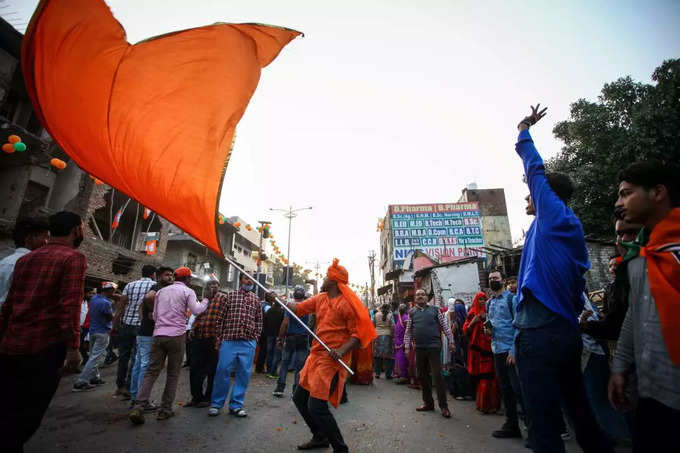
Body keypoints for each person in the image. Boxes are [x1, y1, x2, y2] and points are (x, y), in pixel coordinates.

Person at [513, 104, 613, 453]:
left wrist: (524, 129)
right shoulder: (563, 230)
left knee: (543, 426)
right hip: (562, 332)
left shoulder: (553, 215)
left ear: (548, 196)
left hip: (540, 335)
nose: (528, 194)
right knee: (578, 412)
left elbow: (535, 169)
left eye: (532, 191)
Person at [0, 211, 86, 453]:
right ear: (76, 230)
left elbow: (9, 305)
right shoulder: (73, 259)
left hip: (11, 344)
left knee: (8, 406)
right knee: (28, 415)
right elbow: (70, 306)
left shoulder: (26, 259)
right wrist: (73, 349)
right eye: (83, 227)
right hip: (44, 349)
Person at [609, 160, 680, 452]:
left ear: (658, 193)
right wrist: (621, 367)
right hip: (649, 392)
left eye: (626, 193)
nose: (619, 203)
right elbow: (633, 316)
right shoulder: (641, 257)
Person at [284, 259, 376, 453]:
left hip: (332, 359)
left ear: (333, 281)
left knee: (317, 406)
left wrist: (342, 351)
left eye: (326, 276)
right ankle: (319, 436)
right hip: (315, 355)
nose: (323, 278)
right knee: (299, 398)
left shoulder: (346, 305)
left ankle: (340, 448)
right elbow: (299, 309)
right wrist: (278, 300)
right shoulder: (321, 298)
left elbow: (357, 336)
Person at [128, 267, 207, 423]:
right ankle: (165, 410)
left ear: (175, 278)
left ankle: (138, 406)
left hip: (158, 335)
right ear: (188, 279)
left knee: (151, 371)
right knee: (172, 374)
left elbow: (155, 315)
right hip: (177, 336)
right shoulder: (188, 292)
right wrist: (206, 300)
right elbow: (197, 310)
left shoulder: (161, 292)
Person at [208, 272, 263, 417]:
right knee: (222, 371)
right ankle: (216, 404)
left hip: (248, 342)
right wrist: (219, 339)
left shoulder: (256, 299)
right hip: (229, 341)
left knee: (243, 374)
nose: (249, 281)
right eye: (246, 278)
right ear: (240, 280)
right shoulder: (230, 296)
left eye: (251, 279)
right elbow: (220, 319)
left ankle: (236, 405)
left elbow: (259, 321)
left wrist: (255, 339)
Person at [581, 219, 642, 343]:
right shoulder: (612, 287)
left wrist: (585, 326)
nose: (623, 240)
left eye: (631, 232)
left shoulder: (633, 280)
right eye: (619, 235)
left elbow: (615, 324)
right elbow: (608, 314)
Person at [404, 289, 455, 418]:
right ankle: (428, 403)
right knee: (422, 376)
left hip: (434, 347)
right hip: (419, 348)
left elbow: (445, 326)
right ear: (415, 298)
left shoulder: (435, 310)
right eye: (418, 295)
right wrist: (406, 347)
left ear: (427, 297)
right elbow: (408, 331)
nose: (420, 296)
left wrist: (451, 341)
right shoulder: (412, 313)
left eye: (423, 294)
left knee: (437, 376)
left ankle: (444, 406)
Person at [486, 270, 524, 438]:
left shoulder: (512, 299)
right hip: (497, 350)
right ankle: (512, 425)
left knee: (519, 390)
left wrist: (514, 351)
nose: (492, 280)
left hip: (511, 351)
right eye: (490, 278)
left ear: (503, 280)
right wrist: (487, 330)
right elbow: (491, 325)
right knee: (506, 390)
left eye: (495, 278)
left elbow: (520, 326)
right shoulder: (489, 303)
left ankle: (534, 429)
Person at [129, 266, 174, 404]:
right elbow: (148, 298)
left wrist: (145, 318)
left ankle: (134, 395)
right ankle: (141, 400)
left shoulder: (158, 288)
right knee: (146, 365)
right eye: (167, 275)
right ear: (159, 276)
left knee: (138, 363)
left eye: (171, 275)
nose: (170, 277)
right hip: (149, 333)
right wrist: (157, 314)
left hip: (143, 331)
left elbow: (140, 307)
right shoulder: (158, 287)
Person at [113, 264, 157, 399]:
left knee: (123, 356)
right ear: (153, 274)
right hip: (142, 326)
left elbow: (121, 305)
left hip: (126, 323)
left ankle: (120, 386)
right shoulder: (155, 286)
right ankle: (130, 387)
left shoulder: (130, 285)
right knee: (137, 358)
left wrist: (115, 323)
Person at [186, 277, 225, 407]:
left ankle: (208, 398)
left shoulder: (223, 298)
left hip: (213, 339)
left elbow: (225, 318)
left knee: (211, 370)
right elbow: (198, 316)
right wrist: (192, 329)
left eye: (215, 284)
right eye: (210, 284)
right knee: (195, 368)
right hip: (199, 338)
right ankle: (196, 397)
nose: (213, 286)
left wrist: (221, 338)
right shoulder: (205, 300)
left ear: (219, 286)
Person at [73, 283, 116, 390]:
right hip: (102, 332)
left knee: (93, 355)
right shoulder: (106, 303)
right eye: (112, 291)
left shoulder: (94, 299)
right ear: (108, 291)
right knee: (95, 357)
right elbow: (110, 317)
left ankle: (94, 377)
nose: (113, 293)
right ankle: (81, 381)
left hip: (92, 331)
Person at [0, 216, 49, 307]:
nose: (47, 242)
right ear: (30, 238)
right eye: (45, 237)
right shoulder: (29, 266)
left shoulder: (5, 262)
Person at [463, 292, 499, 414]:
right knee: (482, 379)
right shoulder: (472, 313)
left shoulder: (491, 312)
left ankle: (493, 405)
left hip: (491, 349)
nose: (482, 301)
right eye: (480, 299)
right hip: (477, 351)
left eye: (484, 299)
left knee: (492, 378)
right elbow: (466, 331)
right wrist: (474, 321)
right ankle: (483, 405)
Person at [273, 286, 311, 397]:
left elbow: (285, 323)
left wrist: (280, 338)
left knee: (284, 363)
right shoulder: (306, 306)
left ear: (294, 295)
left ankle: (280, 388)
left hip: (290, 337)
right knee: (300, 366)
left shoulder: (289, 306)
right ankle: (296, 391)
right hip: (303, 338)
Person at [447, 298, 473, 400]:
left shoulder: (456, 321)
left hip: (458, 347)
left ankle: (459, 392)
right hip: (466, 347)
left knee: (458, 369)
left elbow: (453, 333)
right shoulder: (467, 320)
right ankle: (467, 391)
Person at [263, 292, 285, 379]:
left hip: (269, 335)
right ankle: (273, 371)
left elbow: (265, 323)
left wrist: (266, 332)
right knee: (277, 354)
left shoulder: (269, 311)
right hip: (278, 335)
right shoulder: (282, 312)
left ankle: (268, 370)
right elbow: (283, 324)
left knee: (269, 353)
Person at [373, 303, 395, 379]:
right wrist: (392, 335)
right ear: (389, 308)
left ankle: (377, 373)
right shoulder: (390, 315)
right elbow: (393, 326)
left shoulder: (376, 315)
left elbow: (373, 324)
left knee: (377, 356)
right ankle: (388, 374)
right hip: (387, 336)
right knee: (388, 356)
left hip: (377, 336)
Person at [392, 303, 409, 385]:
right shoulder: (401, 317)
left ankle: (404, 376)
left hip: (403, 341)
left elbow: (408, 330)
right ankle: (401, 374)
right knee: (399, 358)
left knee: (402, 358)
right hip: (399, 342)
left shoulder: (405, 317)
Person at [79, 287, 96, 365]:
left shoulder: (90, 302)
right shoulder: (79, 302)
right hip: (78, 326)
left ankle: (85, 358)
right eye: (90, 293)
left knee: (81, 344)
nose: (92, 295)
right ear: (85, 293)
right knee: (79, 344)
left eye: (93, 293)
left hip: (85, 327)